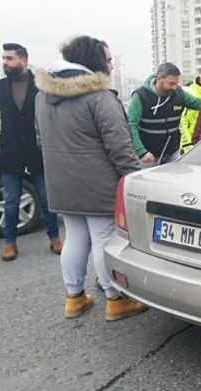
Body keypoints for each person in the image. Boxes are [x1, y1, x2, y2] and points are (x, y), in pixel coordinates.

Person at [35, 35, 146, 321]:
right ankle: (115, 299)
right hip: (97, 184)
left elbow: (41, 138)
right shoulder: (99, 97)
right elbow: (120, 147)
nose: (111, 65)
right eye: (108, 59)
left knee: (74, 237)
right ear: (94, 61)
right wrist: (136, 182)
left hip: (61, 183)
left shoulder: (42, 96)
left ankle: (74, 298)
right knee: (104, 239)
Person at [0, 43, 62, 261]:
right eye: (3, 58)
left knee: (46, 198)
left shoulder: (41, 85)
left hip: (38, 149)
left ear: (24, 61)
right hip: (10, 150)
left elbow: (55, 115)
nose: (5, 62)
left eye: (9, 58)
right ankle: (10, 242)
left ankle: (54, 237)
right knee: (10, 199)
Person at [127, 63, 201, 168]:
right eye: (171, 83)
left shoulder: (179, 93)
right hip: (148, 156)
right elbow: (131, 124)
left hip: (173, 152)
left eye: (176, 83)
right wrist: (141, 151)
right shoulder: (140, 96)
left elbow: (200, 103)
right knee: (149, 184)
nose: (174, 87)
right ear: (159, 78)